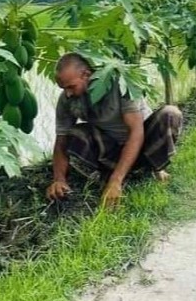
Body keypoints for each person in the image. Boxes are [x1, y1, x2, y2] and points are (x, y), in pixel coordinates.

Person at [46, 52, 183, 207]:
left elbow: (136, 132)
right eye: (64, 88)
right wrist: (59, 179)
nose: (68, 93)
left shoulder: (121, 84)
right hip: (110, 149)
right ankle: (110, 172)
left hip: (143, 144)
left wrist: (115, 181)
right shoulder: (67, 100)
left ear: (86, 74)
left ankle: (154, 168)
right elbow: (61, 141)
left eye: (71, 86)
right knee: (74, 134)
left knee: (171, 114)